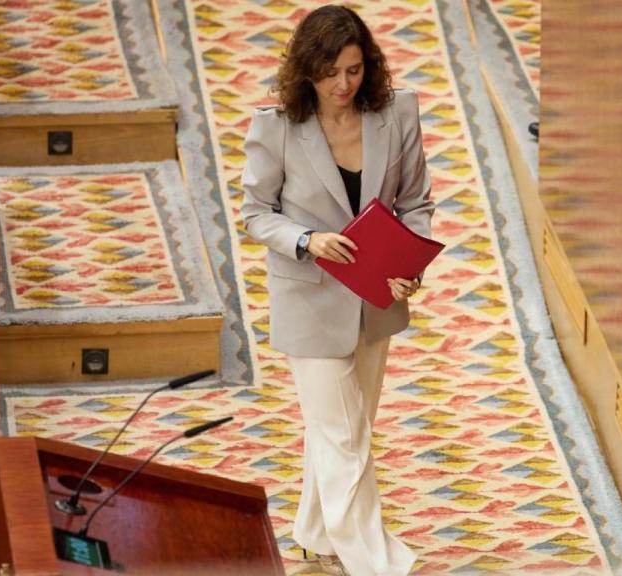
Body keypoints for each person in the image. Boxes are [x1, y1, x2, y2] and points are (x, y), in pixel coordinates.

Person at [240, 5, 434, 576]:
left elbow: (416, 203)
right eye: (330, 74)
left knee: (346, 429)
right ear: (307, 70)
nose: (342, 85)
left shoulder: (397, 113)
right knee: (343, 433)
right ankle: (376, 563)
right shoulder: (276, 126)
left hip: (375, 298)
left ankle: (315, 532)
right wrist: (307, 240)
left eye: (353, 70)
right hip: (309, 299)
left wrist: (409, 267)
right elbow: (255, 213)